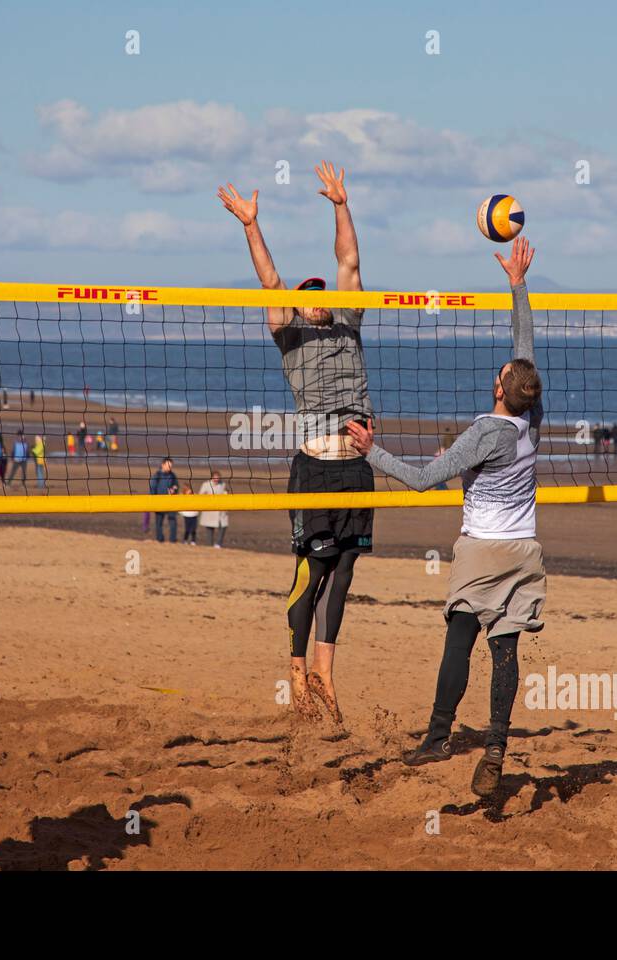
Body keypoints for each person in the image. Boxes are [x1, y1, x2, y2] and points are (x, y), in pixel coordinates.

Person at [348, 237, 544, 799]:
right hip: (525, 551)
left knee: (459, 638)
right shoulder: (533, 416)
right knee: (505, 650)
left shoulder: (485, 432)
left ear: (499, 389)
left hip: (482, 550)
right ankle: (496, 745)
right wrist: (518, 285)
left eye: (500, 373)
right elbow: (525, 352)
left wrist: (371, 453)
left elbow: (420, 479)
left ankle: (437, 738)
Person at [218, 159, 372, 725]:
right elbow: (270, 282)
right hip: (314, 467)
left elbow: (348, 260)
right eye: (307, 293)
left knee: (345, 570)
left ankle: (326, 675)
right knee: (313, 568)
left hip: (356, 467)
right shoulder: (289, 337)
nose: (316, 295)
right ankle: (296, 671)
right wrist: (251, 225)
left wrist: (341, 205)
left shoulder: (349, 323)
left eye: (319, 291)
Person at [198, 471, 230, 548]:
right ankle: (209, 545)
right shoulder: (206, 484)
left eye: (218, 478)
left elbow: (226, 493)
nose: (216, 479)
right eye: (215, 477)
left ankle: (218, 544)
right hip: (210, 511)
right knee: (209, 529)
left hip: (220, 510)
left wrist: (226, 494)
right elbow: (200, 495)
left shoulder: (223, 484)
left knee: (223, 526)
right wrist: (207, 497)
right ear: (212, 477)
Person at [149, 458, 179, 542]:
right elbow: (152, 488)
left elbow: (176, 486)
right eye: (168, 465)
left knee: (173, 521)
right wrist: (153, 500)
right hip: (159, 502)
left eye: (171, 466)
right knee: (159, 522)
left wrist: (174, 489)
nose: (170, 467)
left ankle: (172, 540)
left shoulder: (172, 475)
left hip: (170, 502)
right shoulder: (157, 475)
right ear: (163, 465)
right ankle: (160, 539)